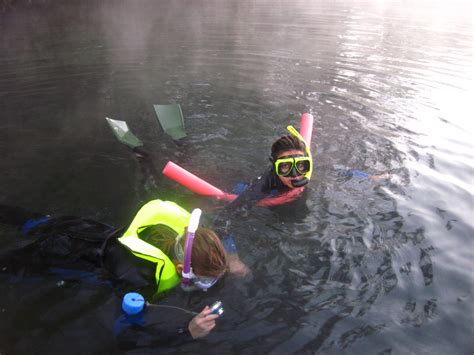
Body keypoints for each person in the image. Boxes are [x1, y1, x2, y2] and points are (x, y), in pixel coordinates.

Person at [0, 200, 241, 341]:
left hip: (81, 227)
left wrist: (232, 259)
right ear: (181, 269)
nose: (207, 285)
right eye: (204, 280)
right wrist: (186, 332)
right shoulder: (143, 282)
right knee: (8, 266)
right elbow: (126, 334)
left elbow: (216, 241)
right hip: (63, 255)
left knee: (30, 221)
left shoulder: (179, 237)